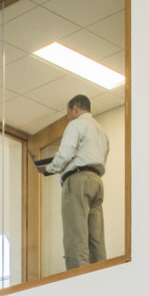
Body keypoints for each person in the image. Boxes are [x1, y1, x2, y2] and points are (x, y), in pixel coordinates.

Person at [37, 94, 110, 269]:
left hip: (78, 180)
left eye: (68, 113)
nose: (68, 117)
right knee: (96, 239)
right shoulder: (101, 130)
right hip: (97, 181)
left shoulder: (76, 124)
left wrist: (49, 168)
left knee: (76, 236)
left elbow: (66, 154)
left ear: (75, 109)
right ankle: (101, 276)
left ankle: (78, 282)